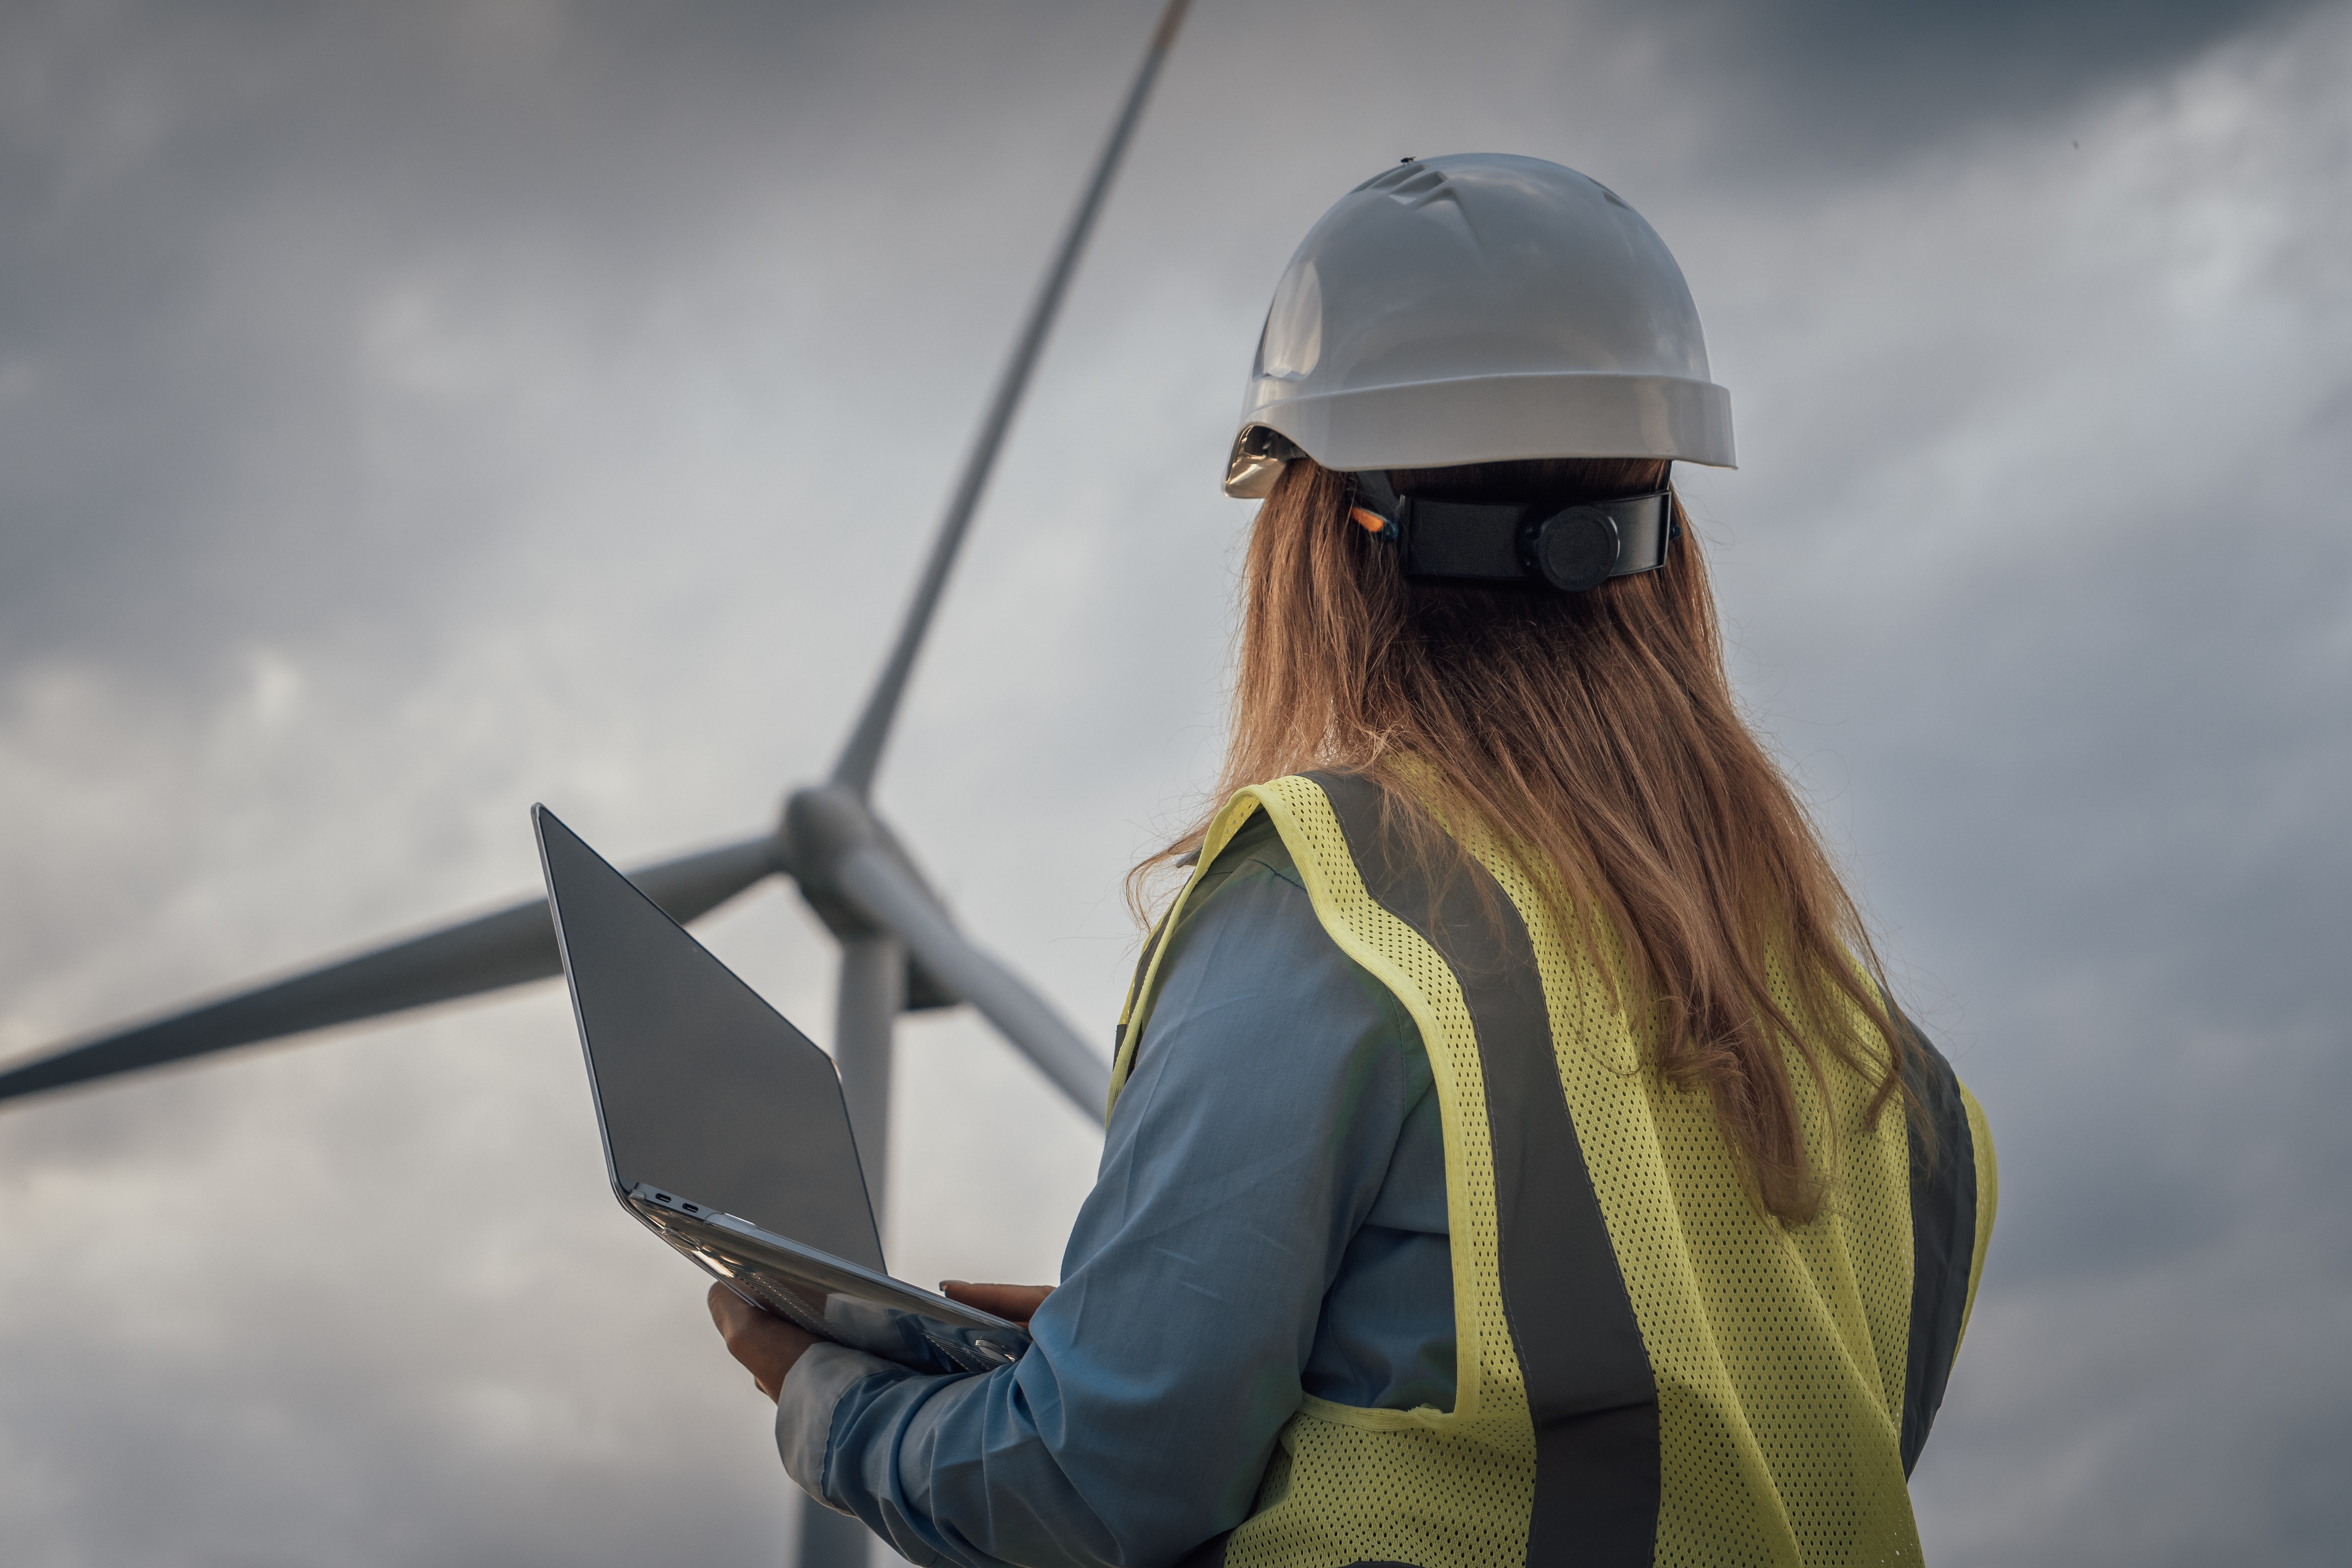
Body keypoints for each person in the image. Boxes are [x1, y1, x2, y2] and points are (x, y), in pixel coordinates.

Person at [708, 154, 1997, 1568]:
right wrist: (1117, 1348)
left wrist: (833, 1406)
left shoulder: (1339, 904)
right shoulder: (1890, 1073)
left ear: (1327, 537)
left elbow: (1098, 1489)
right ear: (1665, 537)